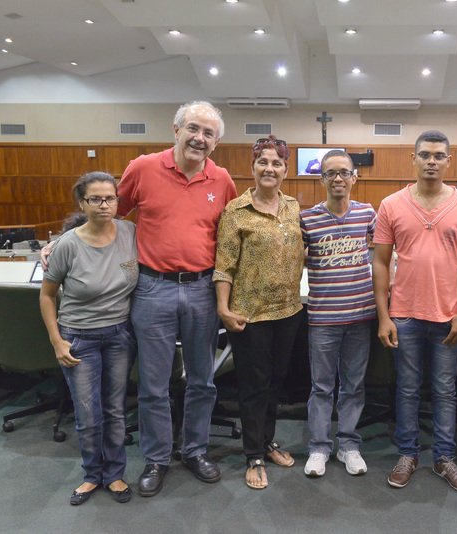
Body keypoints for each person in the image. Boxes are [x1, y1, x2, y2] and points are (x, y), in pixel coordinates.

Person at [118, 101, 237, 496]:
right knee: (153, 384)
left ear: (216, 142)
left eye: (208, 134)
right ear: (176, 130)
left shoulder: (222, 180)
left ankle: (194, 451)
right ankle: (156, 458)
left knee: (202, 380)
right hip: (153, 288)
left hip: (203, 289)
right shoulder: (142, 168)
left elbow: (231, 237)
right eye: (193, 129)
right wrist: (67, 242)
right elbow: (108, 217)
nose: (199, 138)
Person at [372, 130, 457, 493]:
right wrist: (384, 315)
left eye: (438, 155)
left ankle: (444, 458)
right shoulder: (391, 204)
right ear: (414, 159)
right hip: (404, 314)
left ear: (449, 161)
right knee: (406, 389)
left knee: (445, 390)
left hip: (449, 316)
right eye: (425, 155)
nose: (431, 161)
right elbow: (381, 262)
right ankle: (407, 454)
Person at [39, 172, 138, 505]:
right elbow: (47, 295)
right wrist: (56, 341)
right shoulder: (68, 245)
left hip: (120, 335)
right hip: (79, 338)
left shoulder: (130, 232)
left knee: (115, 410)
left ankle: (115, 474)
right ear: (82, 203)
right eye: (95, 199)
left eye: (110, 198)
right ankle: (92, 474)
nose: (104, 205)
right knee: (88, 414)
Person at [214, 136, 303, 490]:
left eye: (277, 163)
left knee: (275, 384)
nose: (269, 168)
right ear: (252, 168)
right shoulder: (236, 211)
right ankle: (252, 454)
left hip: (288, 311)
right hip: (249, 315)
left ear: (285, 170)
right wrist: (223, 308)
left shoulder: (293, 207)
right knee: (254, 386)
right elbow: (224, 266)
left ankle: (266, 442)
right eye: (263, 162)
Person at [301, 150, 377, 477]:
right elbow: (294, 257)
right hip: (323, 319)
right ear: (322, 180)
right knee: (321, 387)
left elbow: (387, 249)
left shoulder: (367, 213)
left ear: (354, 177)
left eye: (344, 172)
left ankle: (348, 445)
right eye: (330, 173)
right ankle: (319, 448)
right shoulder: (307, 218)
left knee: (353, 386)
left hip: (360, 316)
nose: (338, 179)